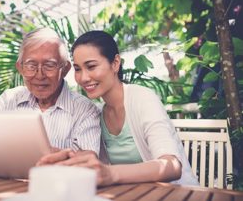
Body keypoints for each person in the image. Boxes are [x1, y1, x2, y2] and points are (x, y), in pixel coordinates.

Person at [37, 30, 199, 186]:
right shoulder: (97, 112)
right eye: (78, 69)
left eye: (91, 66)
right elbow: (94, 163)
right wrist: (62, 157)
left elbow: (171, 166)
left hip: (178, 194)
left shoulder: (142, 98)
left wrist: (111, 173)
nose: (83, 77)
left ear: (115, 63)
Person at [0, 28, 101, 155]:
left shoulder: (85, 110)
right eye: (31, 65)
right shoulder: (7, 101)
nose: (39, 75)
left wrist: (35, 153)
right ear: (20, 68)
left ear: (65, 69)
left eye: (49, 65)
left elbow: (88, 162)